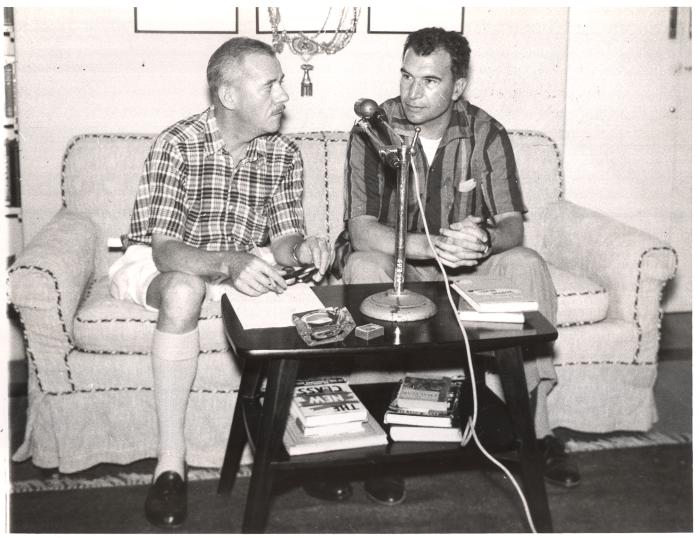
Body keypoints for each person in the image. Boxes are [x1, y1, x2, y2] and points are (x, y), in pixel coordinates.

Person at [330, 27, 580, 505]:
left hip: (467, 270)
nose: (411, 93)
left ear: (457, 87)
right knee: (362, 266)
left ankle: (530, 431)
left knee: (525, 263)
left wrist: (483, 241)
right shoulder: (372, 129)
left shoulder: (486, 130)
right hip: (402, 266)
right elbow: (362, 231)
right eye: (406, 77)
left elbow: (512, 227)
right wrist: (431, 246)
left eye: (429, 81)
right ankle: (383, 441)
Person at [108, 37, 332, 528]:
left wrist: (305, 250)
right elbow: (166, 251)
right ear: (229, 96)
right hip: (166, 258)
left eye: (281, 83)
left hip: (239, 260)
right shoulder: (177, 143)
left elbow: (283, 240)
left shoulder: (284, 154)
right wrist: (230, 264)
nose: (284, 95)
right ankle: (171, 465)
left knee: (311, 300)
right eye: (270, 85)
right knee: (185, 290)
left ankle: (308, 445)